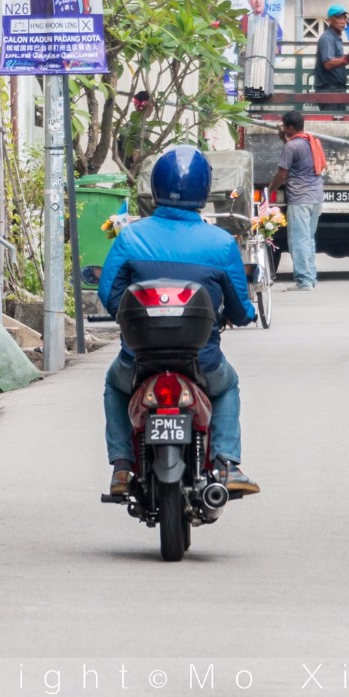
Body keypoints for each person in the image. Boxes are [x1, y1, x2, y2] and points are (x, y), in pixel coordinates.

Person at [100, 146, 258, 498]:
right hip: (203, 363)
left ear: (155, 188)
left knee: (115, 385)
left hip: (138, 361)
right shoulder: (220, 243)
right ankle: (227, 463)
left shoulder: (130, 236)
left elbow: (110, 297)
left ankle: (122, 467)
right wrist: (240, 316)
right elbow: (240, 308)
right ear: (203, 192)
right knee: (227, 386)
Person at [267, 112, 325, 290]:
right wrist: (283, 139)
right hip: (316, 198)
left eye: (284, 126)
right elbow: (298, 157)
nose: (283, 129)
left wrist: (269, 191)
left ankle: (304, 281)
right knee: (308, 239)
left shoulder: (291, 146)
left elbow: (282, 174)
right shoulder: (312, 140)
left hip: (300, 199)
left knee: (298, 241)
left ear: (290, 128)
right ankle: (311, 278)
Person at [314, 4, 349, 90]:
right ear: (329, 21)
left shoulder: (336, 38)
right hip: (328, 89)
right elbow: (328, 64)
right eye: (339, 18)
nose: (343, 21)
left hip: (337, 88)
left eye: (344, 18)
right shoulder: (328, 38)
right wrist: (346, 59)